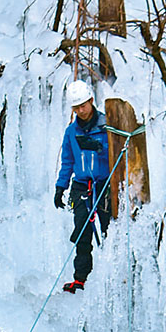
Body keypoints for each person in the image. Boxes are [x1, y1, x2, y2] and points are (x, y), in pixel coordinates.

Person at [54, 79, 112, 294]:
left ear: (91, 101)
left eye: (83, 105)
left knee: (108, 229)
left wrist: (99, 147)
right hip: (81, 186)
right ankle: (80, 279)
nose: (80, 110)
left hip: (104, 184)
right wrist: (61, 187)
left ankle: (113, 274)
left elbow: (118, 154)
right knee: (81, 232)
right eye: (76, 107)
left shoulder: (107, 125)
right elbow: (67, 161)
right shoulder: (71, 132)